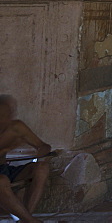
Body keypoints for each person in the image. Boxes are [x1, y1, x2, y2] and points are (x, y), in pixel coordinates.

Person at [0, 95, 51, 223]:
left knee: (42, 168)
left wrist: (39, 155)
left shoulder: (16, 127)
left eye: (8, 115)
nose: (5, 119)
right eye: (2, 115)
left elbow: (43, 146)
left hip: (6, 169)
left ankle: (25, 219)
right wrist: (6, 149)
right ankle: (30, 220)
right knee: (2, 181)